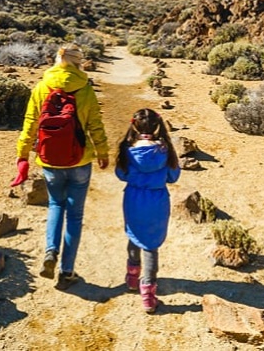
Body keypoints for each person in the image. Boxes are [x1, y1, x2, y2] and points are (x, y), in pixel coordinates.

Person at [12, 43, 108, 290]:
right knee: (75, 215)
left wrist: (22, 155)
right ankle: (67, 271)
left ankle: (50, 252)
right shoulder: (85, 89)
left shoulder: (42, 86)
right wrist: (102, 152)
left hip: (50, 161)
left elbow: (30, 123)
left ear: (57, 60)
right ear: (78, 62)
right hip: (80, 161)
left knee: (56, 205)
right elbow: (95, 124)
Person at [114, 108, 180, 313]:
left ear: (134, 125)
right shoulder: (164, 150)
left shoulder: (128, 149)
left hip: (133, 198)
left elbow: (121, 174)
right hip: (157, 200)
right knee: (151, 244)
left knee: (134, 235)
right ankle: (148, 297)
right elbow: (173, 177)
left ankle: (132, 278)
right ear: (158, 126)